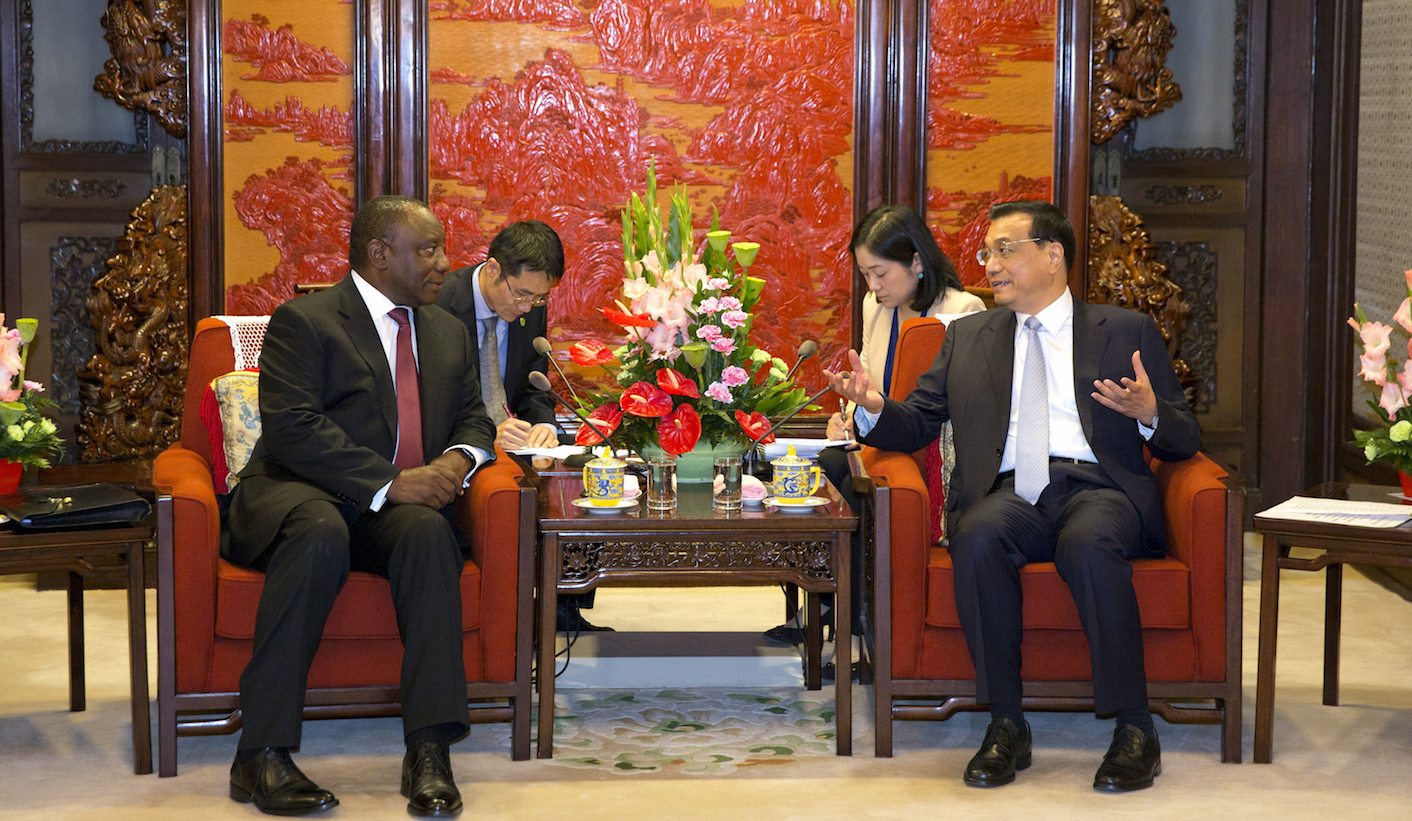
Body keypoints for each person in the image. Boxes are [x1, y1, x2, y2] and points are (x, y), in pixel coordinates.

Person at [826, 200, 1199, 792]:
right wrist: (872, 407)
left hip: (1096, 487)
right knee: (977, 535)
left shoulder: (1124, 331)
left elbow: (1185, 438)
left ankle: (1135, 728)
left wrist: (1150, 412)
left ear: (1053, 256)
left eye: (1005, 250)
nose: (990, 264)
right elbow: (918, 421)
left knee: (1090, 545)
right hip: (1011, 492)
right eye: (987, 252)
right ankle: (1006, 723)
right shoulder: (968, 336)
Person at [225, 195, 496, 817]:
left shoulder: (446, 330)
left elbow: (474, 418)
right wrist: (391, 481)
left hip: (389, 509)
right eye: (428, 250)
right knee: (320, 529)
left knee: (428, 533)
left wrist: (456, 463)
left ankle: (429, 750)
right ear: (380, 254)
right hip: (299, 491)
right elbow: (293, 428)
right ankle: (260, 753)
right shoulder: (306, 320)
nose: (444, 263)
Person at [764, 205, 983, 657]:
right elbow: (866, 375)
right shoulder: (874, 306)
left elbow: (956, 409)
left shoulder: (963, 310)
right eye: (865, 275)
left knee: (845, 475)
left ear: (916, 262)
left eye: (880, 273)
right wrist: (846, 414)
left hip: (926, 448)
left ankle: (847, 612)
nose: (873, 286)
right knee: (826, 464)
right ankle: (833, 606)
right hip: (875, 437)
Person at [436, 220, 611, 633]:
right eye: (522, 294)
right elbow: (428, 399)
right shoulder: (438, 302)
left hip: (513, 437)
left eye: (539, 297)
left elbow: (534, 385)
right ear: (494, 269)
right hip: (452, 441)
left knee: (584, 469)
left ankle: (564, 606)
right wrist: (483, 434)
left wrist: (543, 426)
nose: (529, 307)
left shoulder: (529, 308)